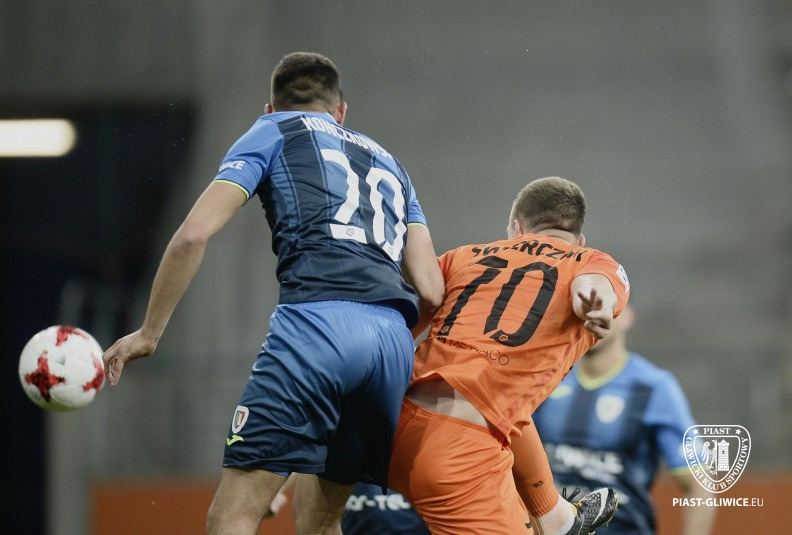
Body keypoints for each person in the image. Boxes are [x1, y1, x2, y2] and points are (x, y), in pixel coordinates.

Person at [101, 51, 445, 535]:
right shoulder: (391, 163)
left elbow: (192, 236)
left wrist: (149, 333)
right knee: (322, 522)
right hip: (391, 345)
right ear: (341, 110)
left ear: (270, 107)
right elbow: (431, 288)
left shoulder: (272, 130)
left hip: (317, 327)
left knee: (232, 516)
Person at [387, 176, 630, 535]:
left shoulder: (462, 256)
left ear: (516, 229)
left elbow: (398, 322)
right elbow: (594, 284)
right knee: (496, 398)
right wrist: (596, 303)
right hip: (456, 453)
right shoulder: (589, 261)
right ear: (579, 240)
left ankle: (555, 516)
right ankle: (556, 520)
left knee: (503, 402)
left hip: (387, 424)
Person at [531, 304, 717, 534]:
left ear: (627, 316)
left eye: (606, 307)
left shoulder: (653, 388)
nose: (594, 317)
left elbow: (699, 485)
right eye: (586, 309)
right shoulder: (547, 377)